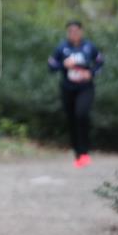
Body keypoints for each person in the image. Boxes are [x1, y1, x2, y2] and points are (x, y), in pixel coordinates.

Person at [47, 20, 104, 168]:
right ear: (68, 33)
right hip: (67, 88)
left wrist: (90, 73)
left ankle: (85, 151)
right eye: (70, 31)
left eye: (76, 31)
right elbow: (51, 66)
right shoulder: (62, 48)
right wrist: (62, 65)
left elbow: (100, 63)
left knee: (81, 115)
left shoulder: (89, 47)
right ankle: (78, 154)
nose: (73, 34)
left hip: (85, 88)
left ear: (81, 31)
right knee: (72, 119)